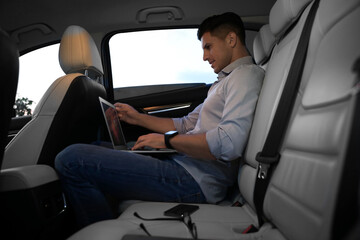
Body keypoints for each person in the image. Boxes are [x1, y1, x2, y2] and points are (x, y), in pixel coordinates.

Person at [55, 12, 264, 229]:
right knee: (96, 147)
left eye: (208, 46)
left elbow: (229, 144)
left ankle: (104, 231)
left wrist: (166, 142)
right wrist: (136, 118)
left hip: (194, 181)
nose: (204, 56)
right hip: (183, 165)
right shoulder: (223, 82)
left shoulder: (245, 76)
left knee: (70, 159)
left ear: (231, 39)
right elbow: (184, 124)